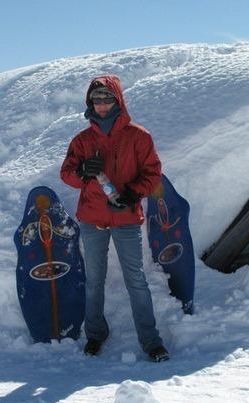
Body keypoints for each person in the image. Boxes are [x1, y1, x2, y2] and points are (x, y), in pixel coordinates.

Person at [60, 75, 169, 362]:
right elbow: (66, 173)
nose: (102, 104)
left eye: (107, 98)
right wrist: (83, 171)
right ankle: (95, 334)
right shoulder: (82, 140)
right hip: (92, 219)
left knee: (136, 280)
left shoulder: (139, 136)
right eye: (96, 99)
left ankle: (151, 341)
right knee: (94, 280)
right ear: (90, 103)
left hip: (126, 219)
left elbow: (152, 172)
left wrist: (134, 193)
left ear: (118, 100)